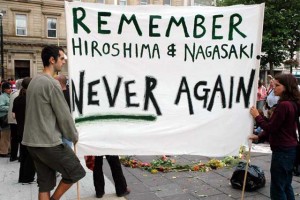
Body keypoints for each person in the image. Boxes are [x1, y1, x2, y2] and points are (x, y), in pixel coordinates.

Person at [22, 45, 86, 200]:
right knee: (76, 171)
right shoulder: (52, 83)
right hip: (48, 142)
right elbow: (64, 116)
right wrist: (74, 135)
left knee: (45, 184)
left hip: (31, 142)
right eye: (62, 58)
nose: (64, 61)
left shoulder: (34, 81)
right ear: (52, 60)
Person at [249, 73, 300, 200]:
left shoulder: (284, 105)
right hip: (290, 149)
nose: (274, 88)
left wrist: (257, 116)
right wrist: (259, 137)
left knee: (278, 188)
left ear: (287, 87)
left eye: (277, 85)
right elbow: (278, 126)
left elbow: (271, 127)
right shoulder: (292, 103)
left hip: (282, 151)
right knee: (286, 185)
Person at [12, 77, 36, 184]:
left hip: (20, 130)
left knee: (23, 155)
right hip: (31, 131)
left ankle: (22, 177)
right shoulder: (33, 99)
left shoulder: (17, 99)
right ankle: (28, 177)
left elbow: (14, 115)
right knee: (30, 156)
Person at [55, 74, 72, 147]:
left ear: (59, 82)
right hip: (67, 125)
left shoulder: (58, 94)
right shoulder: (71, 93)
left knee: (66, 146)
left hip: (63, 125)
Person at [8, 79, 23, 161]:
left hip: (11, 120)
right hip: (17, 120)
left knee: (14, 139)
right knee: (20, 139)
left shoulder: (12, 93)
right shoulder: (19, 94)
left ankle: (13, 156)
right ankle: (21, 156)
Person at [0, 82, 12, 157]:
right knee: (5, 134)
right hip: (4, 117)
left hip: (7, 117)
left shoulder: (8, 96)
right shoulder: (2, 97)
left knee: (8, 135)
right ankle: (3, 151)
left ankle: (7, 150)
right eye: (8, 88)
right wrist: (10, 107)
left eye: (10, 88)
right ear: (4, 89)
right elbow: (0, 107)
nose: (10, 89)